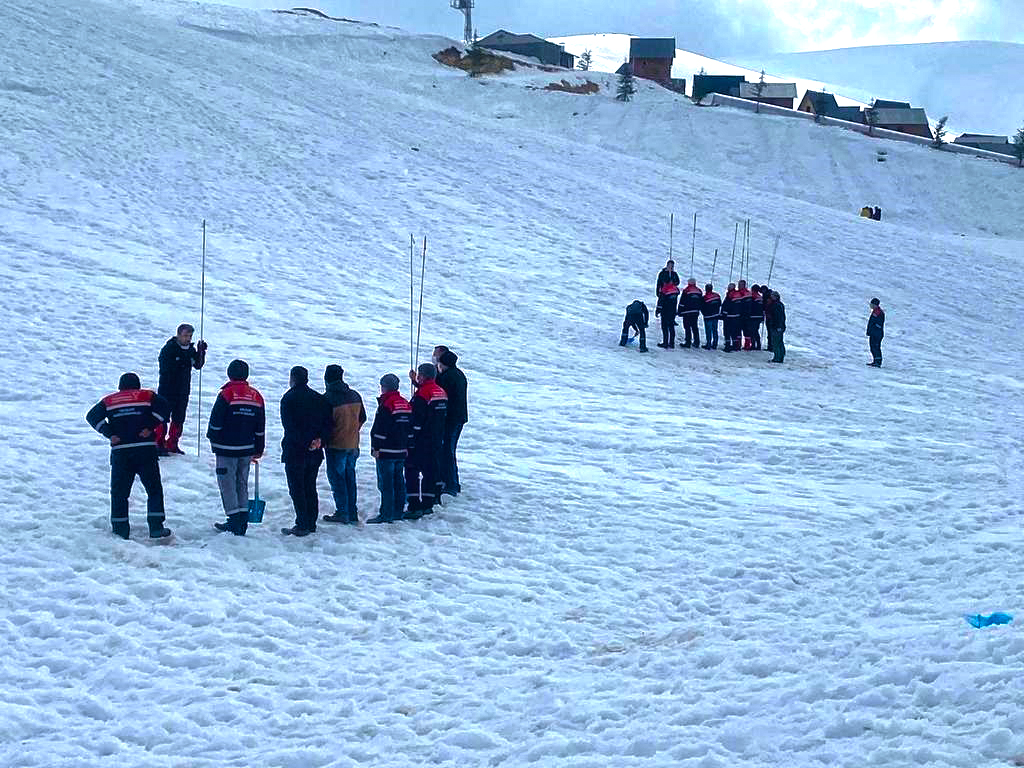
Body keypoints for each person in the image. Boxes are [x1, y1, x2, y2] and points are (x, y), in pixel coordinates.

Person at [86, 373, 173, 539]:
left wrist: (109, 433)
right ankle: (156, 527)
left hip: (121, 451)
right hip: (145, 449)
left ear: (120, 387)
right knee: (153, 489)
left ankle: (120, 529)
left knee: (119, 492)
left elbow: (91, 416)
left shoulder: (109, 400)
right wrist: (151, 426)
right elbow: (165, 407)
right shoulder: (147, 396)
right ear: (137, 385)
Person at [207, 360, 265, 536]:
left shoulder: (226, 394)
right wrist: (258, 448)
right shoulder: (256, 396)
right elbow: (260, 427)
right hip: (247, 449)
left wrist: (213, 438)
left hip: (226, 449)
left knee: (227, 484)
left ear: (229, 374)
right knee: (241, 482)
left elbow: (215, 422)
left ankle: (234, 520)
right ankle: (243, 518)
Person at [280, 366, 332, 536]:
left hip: (295, 451)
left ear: (292, 378)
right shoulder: (320, 399)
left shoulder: (288, 398)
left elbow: (289, 427)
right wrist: (320, 440)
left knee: (297, 488)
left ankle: (302, 523)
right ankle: (311, 522)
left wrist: (304, 443)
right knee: (310, 486)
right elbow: (329, 424)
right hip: (315, 451)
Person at [321, 365, 366, 525]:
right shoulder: (355, 395)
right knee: (350, 478)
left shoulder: (327, 399)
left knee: (338, 479)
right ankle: (352, 512)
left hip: (336, 446)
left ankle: (342, 512)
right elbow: (362, 418)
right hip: (353, 444)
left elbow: (324, 425)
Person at [366, 374, 413, 524]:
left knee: (386, 484)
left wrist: (376, 447)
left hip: (386, 451)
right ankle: (398, 511)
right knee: (399, 481)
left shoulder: (386, 405)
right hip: (401, 450)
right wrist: (408, 445)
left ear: (384, 387)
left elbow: (380, 430)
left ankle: (386, 514)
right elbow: (409, 428)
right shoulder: (405, 403)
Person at [156, 324, 207, 455]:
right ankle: (159, 444)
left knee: (179, 417)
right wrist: (182, 362)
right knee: (163, 417)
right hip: (167, 389)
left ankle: (173, 443)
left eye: (190, 336)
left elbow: (197, 365)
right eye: (185, 336)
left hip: (183, 390)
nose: (188, 339)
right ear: (178, 335)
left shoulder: (190, 350)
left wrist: (201, 352)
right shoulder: (169, 349)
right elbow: (166, 368)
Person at [406, 363, 448, 519]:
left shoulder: (422, 395)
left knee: (412, 471)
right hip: (436, 438)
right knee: (430, 472)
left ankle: (414, 505)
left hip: (421, 440)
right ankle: (428, 504)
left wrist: (410, 439)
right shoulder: (441, 392)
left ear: (423, 376)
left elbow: (417, 419)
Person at [436, 350, 468, 498]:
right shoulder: (459, 374)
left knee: (447, 451)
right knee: (449, 449)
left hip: (450, 419)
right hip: (459, 417)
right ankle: (452, 482)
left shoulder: (447, 377)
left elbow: (438, 392)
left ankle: (451, 484)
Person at [678, 278, 703, 348]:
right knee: (695, 327)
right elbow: (701, 302)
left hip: (687, 312)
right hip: (695, 312)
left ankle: (688, 342)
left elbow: (682, 301)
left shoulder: (686, 290)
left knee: (687, 327)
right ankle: (697, 342)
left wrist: (679, 311)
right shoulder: (699, 291)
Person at [655, 279, 680, 348]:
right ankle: (672, 343)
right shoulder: (675, 289)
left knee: (664, 327)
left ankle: (665, 343)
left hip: (665, 311)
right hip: (673, 311)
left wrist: (658, 310)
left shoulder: (664, 289)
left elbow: (661, 300)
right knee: (671, 327)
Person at [700, 283, 721, 350]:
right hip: (715, 316)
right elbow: (720, 304)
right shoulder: (717, 296)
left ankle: (708, 344)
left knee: (708, 331)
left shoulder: (704, 298)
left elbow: (701, 307)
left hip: (708, 317)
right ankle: (715, 344)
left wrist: (704, 314)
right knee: (715, 330)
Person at [768, 291, 786, 363]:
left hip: (776, 326)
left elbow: (778, 317)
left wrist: (777, 325)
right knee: (780, 342)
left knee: (776, 342)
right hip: (779, 326)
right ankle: (781, 356)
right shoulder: (780, 304)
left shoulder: (776, 305)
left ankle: (777, 358)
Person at [867, 297, 885, 367]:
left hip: (877, 333)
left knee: (876, 347)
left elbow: (877, 323)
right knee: (872, 347)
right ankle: (875, 361)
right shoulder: (875, 311)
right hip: (874, 333)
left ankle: (878, 362)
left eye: (872, 304)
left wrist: (873, 331)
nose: (870, 305)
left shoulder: (878, 312)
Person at [722, 283, 740, 352]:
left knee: (727, 332)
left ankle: (727, 346)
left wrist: (724, 314)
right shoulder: (738, 294)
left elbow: (727, 305)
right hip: (737, 316)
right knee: (734, 332)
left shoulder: (730, 295)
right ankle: (735, 346)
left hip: (729, 316)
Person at [737, 280, 753, 350]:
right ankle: (738, 344)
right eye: (738, 284)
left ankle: (747, 345)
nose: (739, 286)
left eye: (740, 285)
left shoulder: (747, 293)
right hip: (739, 315)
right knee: (738, 331)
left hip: (745, 315)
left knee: (746, 331)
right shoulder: (738, 293)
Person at [747, 285, 764, 350]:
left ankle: (753, 344)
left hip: (753, 316)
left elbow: (750, 306)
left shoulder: (753, 296)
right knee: (756, 331)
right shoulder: (760, 297)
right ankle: (758, 344)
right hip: (759, 316)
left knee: (752, 331)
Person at [762, 286, 775, 352]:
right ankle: (770, 346)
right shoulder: (769, 295)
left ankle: (771, 346)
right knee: (770, 332)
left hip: (770, 318)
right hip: (769, 317)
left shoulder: (767, 296)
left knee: (770, 332)